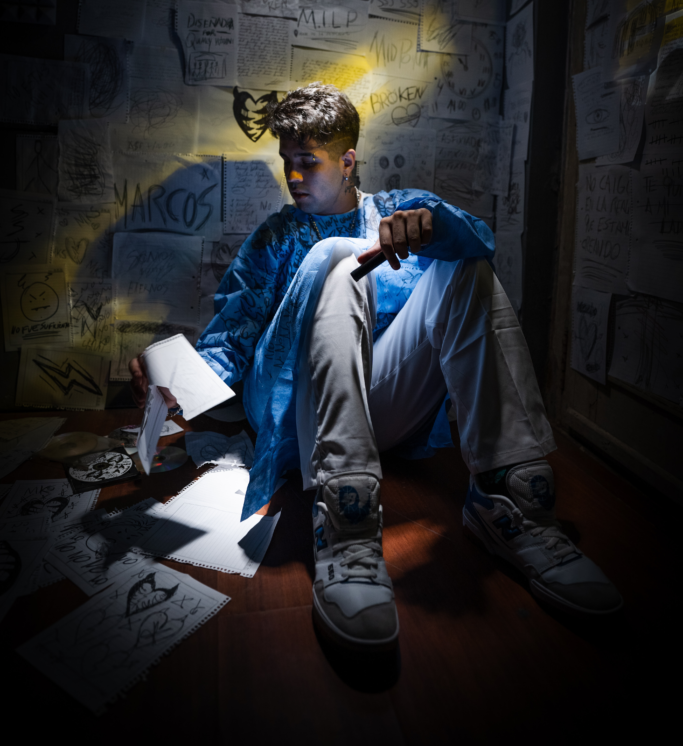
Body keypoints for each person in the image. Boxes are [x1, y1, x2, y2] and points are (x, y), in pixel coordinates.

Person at [130, 82, 622, 652]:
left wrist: (434, 230)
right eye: (286, 161)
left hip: (377, 408)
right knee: (336, 258)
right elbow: (231, 342)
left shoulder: (397, 211)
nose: (293, 176)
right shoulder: (275, 238)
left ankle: (509, 497)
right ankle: (346, 518)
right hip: (288, 412)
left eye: (308, 161)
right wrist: (177, 379)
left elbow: (482, 240)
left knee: (465, 264)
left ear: (347, 161)